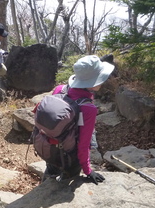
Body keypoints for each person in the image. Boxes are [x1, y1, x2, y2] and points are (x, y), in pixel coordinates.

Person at [44, 55, 115, 184]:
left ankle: (42, 191)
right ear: (93, 83)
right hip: (70, 155)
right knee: (66, 184)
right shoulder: (88, 109)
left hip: (51, 147)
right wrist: (88, 170)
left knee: (50, 175)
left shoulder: (60, 89)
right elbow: (83, 144)